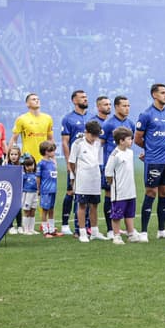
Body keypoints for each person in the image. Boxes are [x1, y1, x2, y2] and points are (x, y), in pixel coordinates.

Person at [134, 83, 165, 241]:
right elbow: (137, 138)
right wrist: (149, 149)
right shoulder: (146, 115)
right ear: (154, 95)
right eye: (163, 93)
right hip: (153, 161)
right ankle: (144, 232)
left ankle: (161, 230)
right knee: (151, 193)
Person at [101, 95, 136, 235]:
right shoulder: (108, 124)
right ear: (116, 107)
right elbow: (100, 144)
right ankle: (111, 229)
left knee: (127, 197)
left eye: (128, 106)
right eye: (124, 106)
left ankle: (129, 230)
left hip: (125, 165)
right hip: (113, 165)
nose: (127, 108)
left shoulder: (130, 124)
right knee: (110, 195)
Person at [70, 120, 108, 242]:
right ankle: (82, 232)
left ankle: (95, 232)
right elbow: (71, 162)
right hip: (82, 178)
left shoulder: (98, 144)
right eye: (92, 135)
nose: (94, 138)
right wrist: (75, 176)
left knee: (94, 205)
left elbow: (99, 161)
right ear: (86, 132)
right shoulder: (78, 144)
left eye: (96, 135)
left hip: (95, 178)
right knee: (82, 205)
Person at [104, 127, 142, 244]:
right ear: (121, 141)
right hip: (119, 191)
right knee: (117, 214)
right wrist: (113, 184)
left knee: (130, 213)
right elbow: (108, 172)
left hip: (130, 190)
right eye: (129, 139)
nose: (131, 141)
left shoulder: (130, 153)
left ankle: (131, 233)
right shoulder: (115, 155)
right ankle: (116, 235)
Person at [60, 90, 90, 236]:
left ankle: (85, 226)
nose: (85, 99)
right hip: (75, 163)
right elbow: (65, 143)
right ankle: (65, 224)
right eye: (82, 97)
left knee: (87, 193)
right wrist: (68, 162)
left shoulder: (92, 118)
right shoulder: (68, 119)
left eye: (86, 97)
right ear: (74, 100)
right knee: (71, 192)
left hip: (89, 164)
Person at [89, 95, 114, 237]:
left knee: (112, 195)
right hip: (98, 164)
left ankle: (112, 226)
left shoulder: (112, 122)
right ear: (98, 106)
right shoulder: (94, 122)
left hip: (111, 164)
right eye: (105, 104)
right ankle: (88, 227)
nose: (108, 107)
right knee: (92, 197)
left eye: (110, 104)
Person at [11, 93, 54, 164]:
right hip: (28, 159)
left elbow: (50, 139)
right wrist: (8, 157)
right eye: (34, 99)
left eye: (38, 99)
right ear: (27, 104)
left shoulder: (48, 118)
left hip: (44, 159)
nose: (37, 101)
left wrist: (53, 157)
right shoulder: (21, 119)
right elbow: (14, 139)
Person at [36, 140, 59, 238]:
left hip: (53, 189)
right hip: (46, 190)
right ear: (46, 151)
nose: (54, 152)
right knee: (45, 210)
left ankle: (52, 229)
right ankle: (46, 231)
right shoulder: (41, 163)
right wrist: (38, 188)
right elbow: (38, 177)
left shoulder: (52, 162)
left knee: (51, 209)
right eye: (52, 151)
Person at [15, 153, 39, 235]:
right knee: (26, 211)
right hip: (27, 194)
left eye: (31, 165)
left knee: (33, 211)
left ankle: (31, 229)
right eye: (27, 166)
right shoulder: (24, 175)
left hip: (34, 194)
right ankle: (26, 229)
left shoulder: (36, 174)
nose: (30, 167)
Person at [5, 145, 24, 234]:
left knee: (18, 208)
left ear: (19, 155)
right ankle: (10, 226)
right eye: (11, 154)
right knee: (9, 208)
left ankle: (20, 225)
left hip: (18, 191)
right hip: (8, 191)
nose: (13, 156)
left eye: (16, 154)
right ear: (8, 155)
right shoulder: (6, 165)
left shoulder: (21, 165)